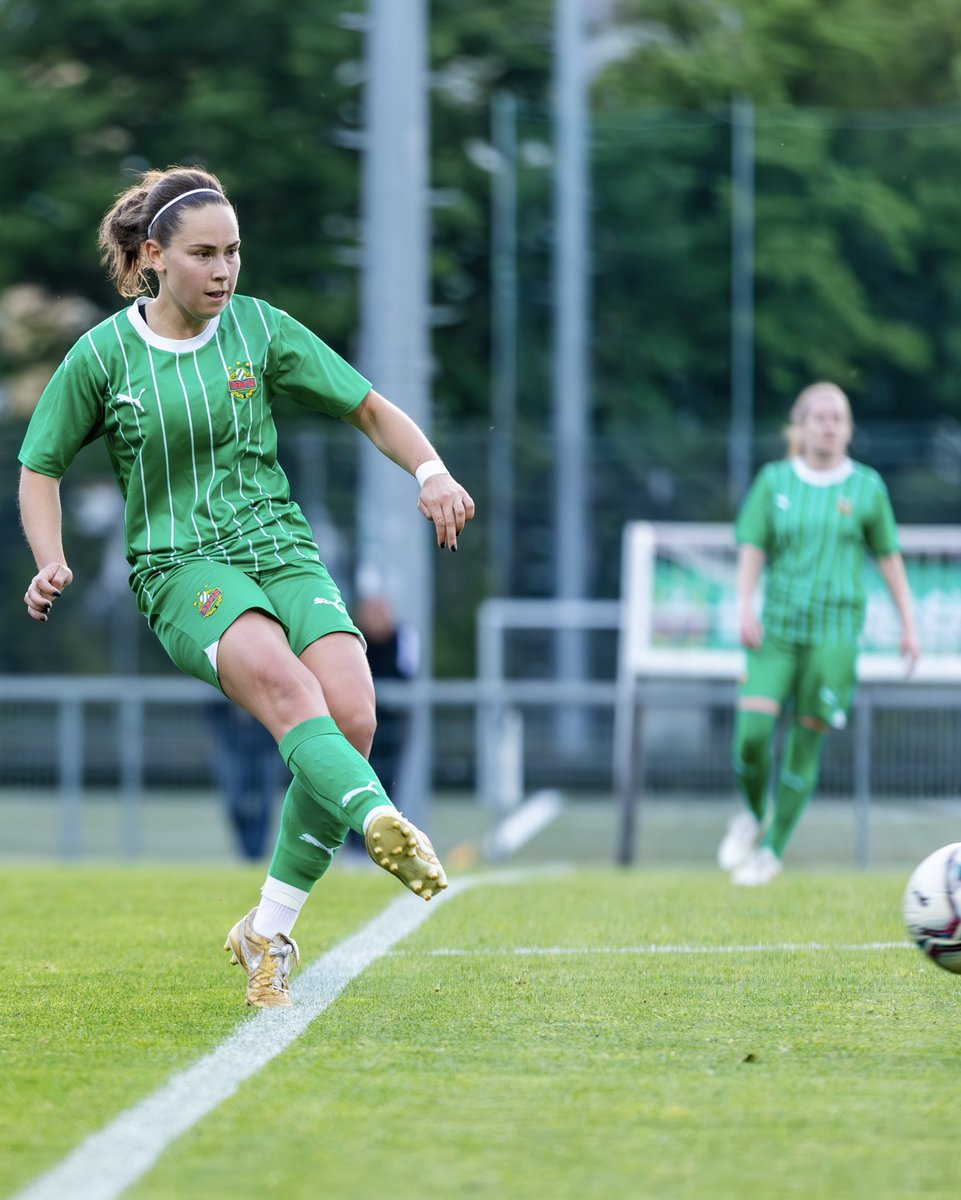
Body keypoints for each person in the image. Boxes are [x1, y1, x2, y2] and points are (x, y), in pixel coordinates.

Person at [18, 166, 475, 1006]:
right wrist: (48, 556)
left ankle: (267, 929)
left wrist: (431, 472)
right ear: (154, 256)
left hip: (280, 548)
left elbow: (369, 408)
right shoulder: (104, 355)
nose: (224, 270)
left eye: (233, 252)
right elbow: (40, 466)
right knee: (289, 690)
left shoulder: (261, 330)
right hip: (181, 565)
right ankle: (381, 821)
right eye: (203, 254)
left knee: (355, 714)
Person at [717, 381, 920, 886]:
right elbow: (752, 548)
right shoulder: (775, 480)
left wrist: (909, 625)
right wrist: (744, 604)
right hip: (778, 628)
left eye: (838, 417)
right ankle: (750, 812)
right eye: (820, 416)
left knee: (806, 744)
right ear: (801, 425)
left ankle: (772, 850)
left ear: (848, 429)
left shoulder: (867, 487)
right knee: (754, 737)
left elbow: (889, 558)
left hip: (835, 632)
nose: (829, 425)